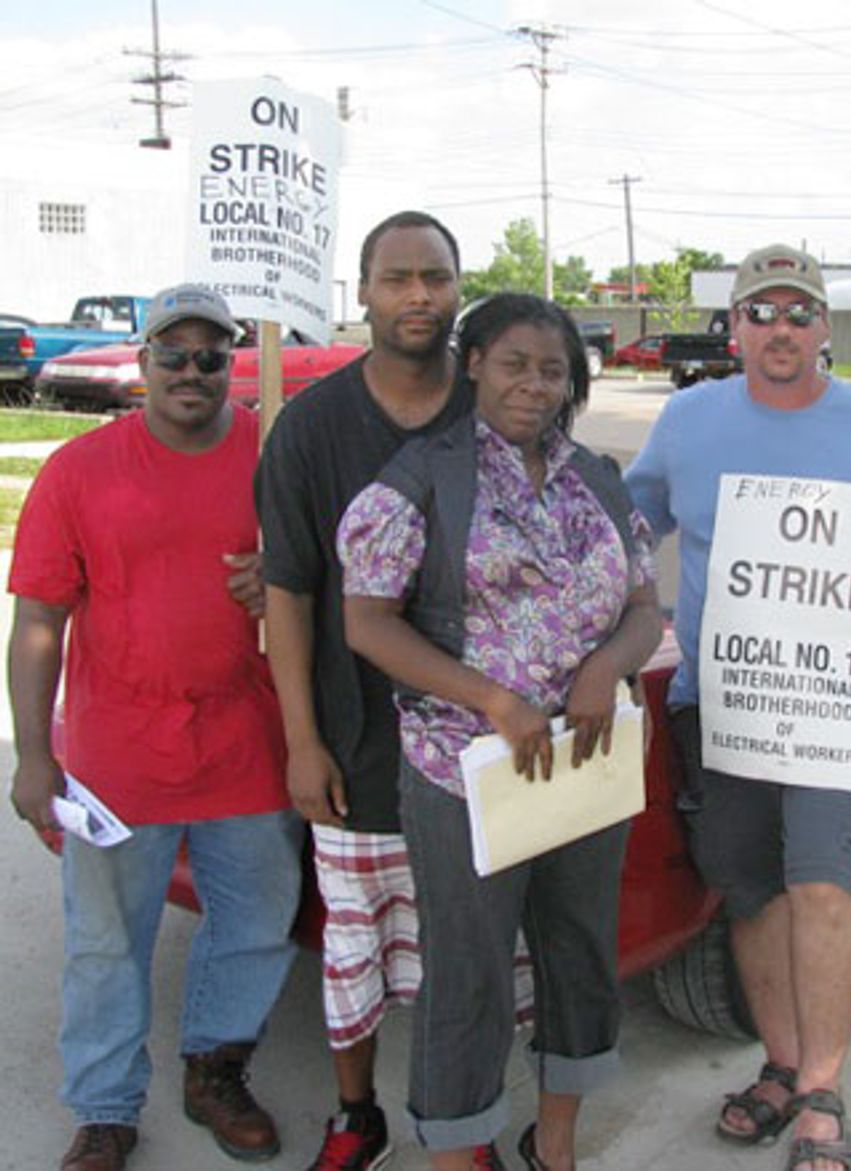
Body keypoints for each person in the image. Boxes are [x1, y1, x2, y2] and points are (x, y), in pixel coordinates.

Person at [624, 245, 851, 1171]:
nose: (780, 329)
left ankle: (821, 1093)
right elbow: (623, 524)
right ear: (733, 328)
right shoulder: (687, 421)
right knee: (752, 888)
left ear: (825, 328)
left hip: (842, 704)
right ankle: (778, 1061)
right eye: (760, 312)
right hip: (723, 702)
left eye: (798, 312)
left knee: (824, 882)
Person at [338, 292, 663, 1171]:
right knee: (471, 969)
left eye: (553, 369)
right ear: (473, 361)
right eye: (515, 363)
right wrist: (492, 697)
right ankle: (455, 1150)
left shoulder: (594, 474)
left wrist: (606, 668)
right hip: (467, 769)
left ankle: (553, 1139)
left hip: (583, 762)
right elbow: (367, 620)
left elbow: (643, 602)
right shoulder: (424, 476)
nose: (535, 384)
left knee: (579, 950)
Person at [8, 284, 303, 1171]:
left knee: (257, 918)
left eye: (210, 356)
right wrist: (32, 755)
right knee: (106, 944)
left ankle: (215, 1065)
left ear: (232, 366)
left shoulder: (276, 453)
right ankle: (104, 1107)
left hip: (248, 746)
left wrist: (282, 577)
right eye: (171, 354)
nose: (190, 371)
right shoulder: (80, 471)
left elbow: (338, 581)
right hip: (117, 758)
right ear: (141, 365)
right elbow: (36, 621)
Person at [259, 210, 521, 1171]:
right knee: (354, 949)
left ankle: (466, 1119)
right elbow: (287, 589)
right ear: (361, 291)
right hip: (357, 736)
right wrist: (302, 736)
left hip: (482, 746)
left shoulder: (497, 409)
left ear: (460, 289)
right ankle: (355, 1113)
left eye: (438, 278)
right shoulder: (312, 427)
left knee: (476, 944)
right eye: (399, 277)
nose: (420, 295)